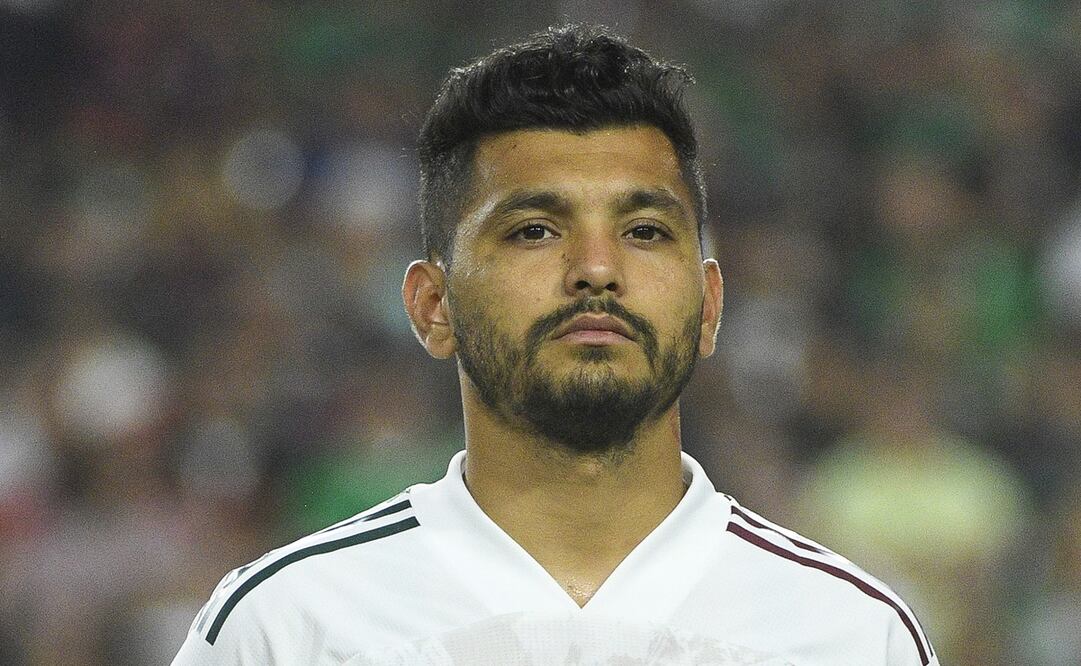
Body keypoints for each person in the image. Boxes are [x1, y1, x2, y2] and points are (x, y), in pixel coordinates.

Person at [172, 24, 938, 665]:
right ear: (431, 306)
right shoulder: (284, 630)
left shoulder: (848, 637)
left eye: (643, 232)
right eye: (534, 230)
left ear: (708, 305)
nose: (596, 270)